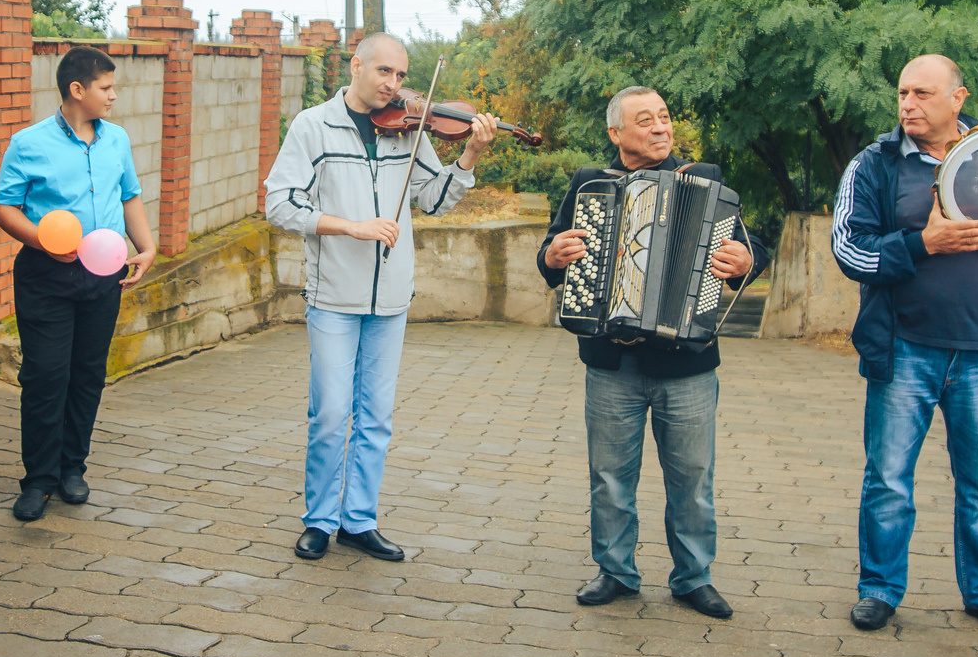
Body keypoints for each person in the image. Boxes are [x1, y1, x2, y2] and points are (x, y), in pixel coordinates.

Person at [829, 55, 978, 638]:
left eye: (923, 93)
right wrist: (924, 244)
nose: (908, 104)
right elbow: (850, 252)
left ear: (957, 98)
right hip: (904, 349)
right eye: (902, 93)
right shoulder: (875, 165)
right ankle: (879, 590)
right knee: (889, 480)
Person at [534, 87, 767, 619]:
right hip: (611, 362)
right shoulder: (590, 184)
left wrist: (743, 261)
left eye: (664, 117)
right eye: (646, 120)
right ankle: (615, 572)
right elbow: (551, 253)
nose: (661, 127)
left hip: (686, 363)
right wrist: (553, 255)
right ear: (616, 133)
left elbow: (752, 249)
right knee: (609, 476)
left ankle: (693, 577)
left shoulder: (704, 182)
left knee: (693, 478)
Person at [263, 33, 495, 563]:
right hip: (333, 297)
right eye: (384, 71)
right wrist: (351, 226)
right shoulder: (313, 126)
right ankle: (319, 520)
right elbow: (280, 204)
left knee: (375, 419)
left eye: (401, 75)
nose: (394, 85)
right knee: (330, 414)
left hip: (391, 299)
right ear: (357, 65)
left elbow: (433, 200)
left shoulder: (408, 130)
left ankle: (358, 521)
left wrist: (470, 154)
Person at [0, 47, 158, 522]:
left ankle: (72, 468)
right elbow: (3, 207)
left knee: (87, 374)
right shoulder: (28, 142)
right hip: (46, 276)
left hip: (103, 275)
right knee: (45, 376)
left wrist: (146, 248)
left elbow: (129, 196)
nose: (114, 95)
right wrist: (43, 242)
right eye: (106, 87)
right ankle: (38, 479)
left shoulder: (117, 140)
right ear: (77, 89)